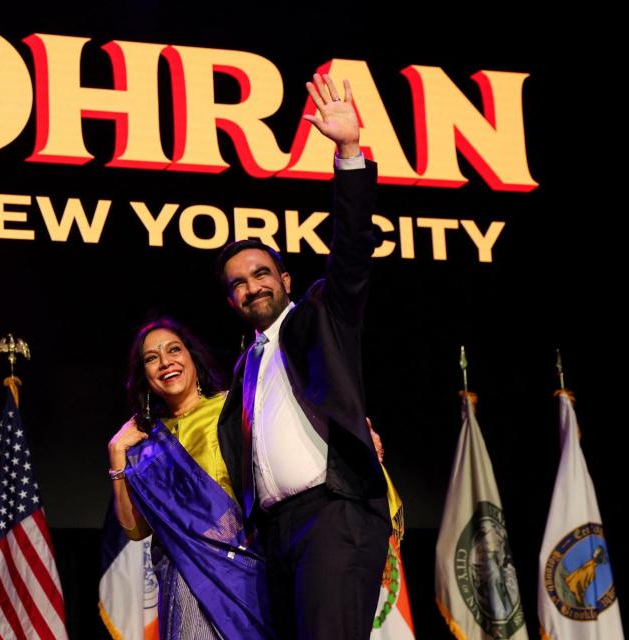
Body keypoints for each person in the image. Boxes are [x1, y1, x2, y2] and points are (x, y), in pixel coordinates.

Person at [215, 74, 391, 640]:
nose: (252, 287)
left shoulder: (321, 315)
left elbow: (352, 252)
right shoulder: (245, 367)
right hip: (277, 534)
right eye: (239, 283)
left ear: (285, 279)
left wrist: (348, 153)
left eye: (262, 273)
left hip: (333, 516)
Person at [108, 318, 273, 640]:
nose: (165, 362)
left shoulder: (232, 408)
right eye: (151, 358)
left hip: (244, 571)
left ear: (193, 358)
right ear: (144, 375)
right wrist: (116, 453)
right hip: (183, 579)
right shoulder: (144, 443)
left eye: (174, 350)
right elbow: (135, 529)